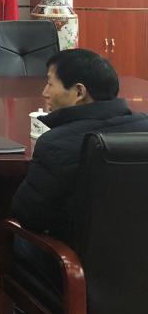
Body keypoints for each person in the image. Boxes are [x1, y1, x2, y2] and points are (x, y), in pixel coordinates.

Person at [9, 49, 148, 270]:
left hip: (73, 272)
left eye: (50, 84)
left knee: (0, 234)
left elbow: (27, 216)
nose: (45, 92)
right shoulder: (144, 128)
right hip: (138, 268)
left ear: (79, 92)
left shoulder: (56, 144)